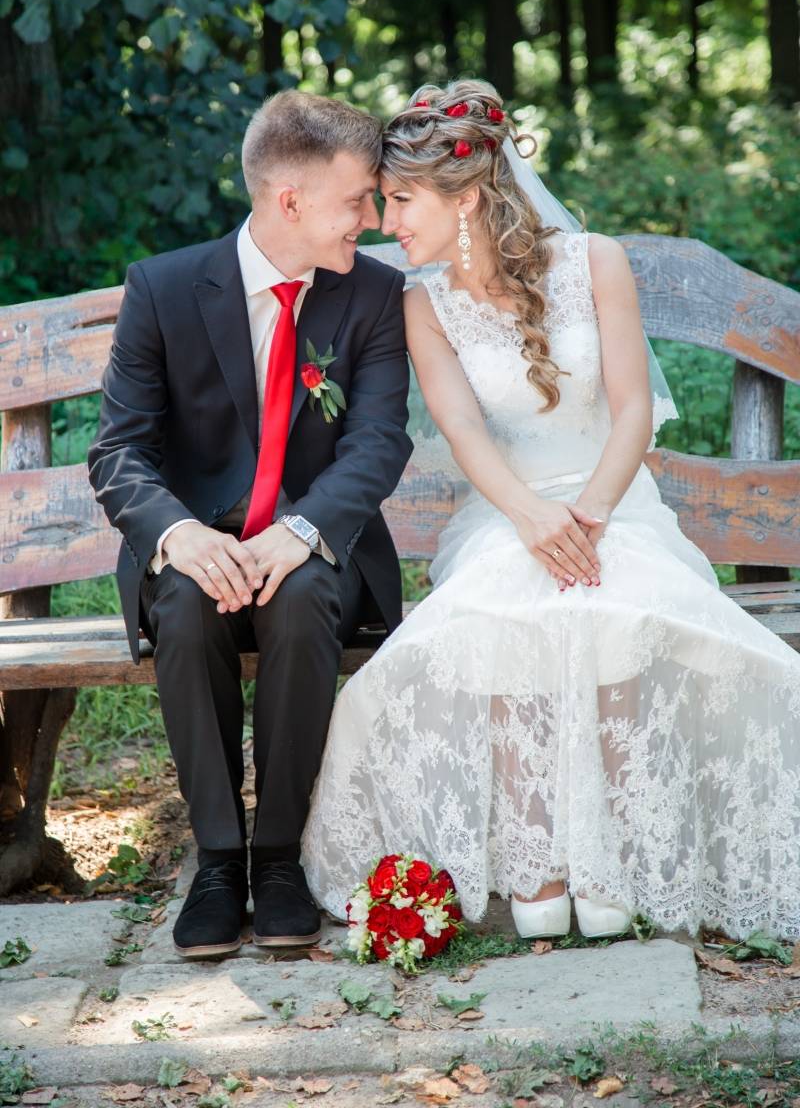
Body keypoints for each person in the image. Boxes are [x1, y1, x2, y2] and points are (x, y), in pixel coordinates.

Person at [302, 79, 800, 944]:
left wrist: (592, 516)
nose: (388, 221)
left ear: (465, 197)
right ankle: (538, 858)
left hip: (614, 503)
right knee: (503, 611)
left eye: (402, 199)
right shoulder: (422, 302)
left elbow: (633, 409)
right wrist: (534, 519)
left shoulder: (595, 262)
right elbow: (464, 431)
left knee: (617, 601)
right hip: (509, 512)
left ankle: (618, 856)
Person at [88, 90, 413, 956]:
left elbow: (378, 443)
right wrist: (180, 535)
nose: (372, 220)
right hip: (198, 543)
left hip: (316, 550)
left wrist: (300, 533)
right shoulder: (164, 288)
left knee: (301, 596)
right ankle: (217, 860)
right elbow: (118, 450)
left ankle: (277, 858)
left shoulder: (373, 294)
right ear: (290, 200)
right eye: (358, 200)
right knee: (186, 600)